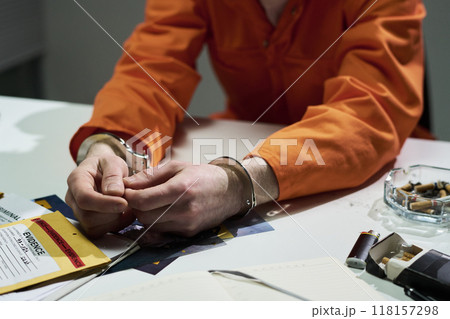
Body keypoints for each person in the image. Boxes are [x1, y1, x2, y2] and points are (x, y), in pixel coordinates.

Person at [66, 0, 426, 239]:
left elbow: (368, 114)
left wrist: (239, 183)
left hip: (380, 173)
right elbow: (150, 70)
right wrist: (112, 145)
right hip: (244, 143)